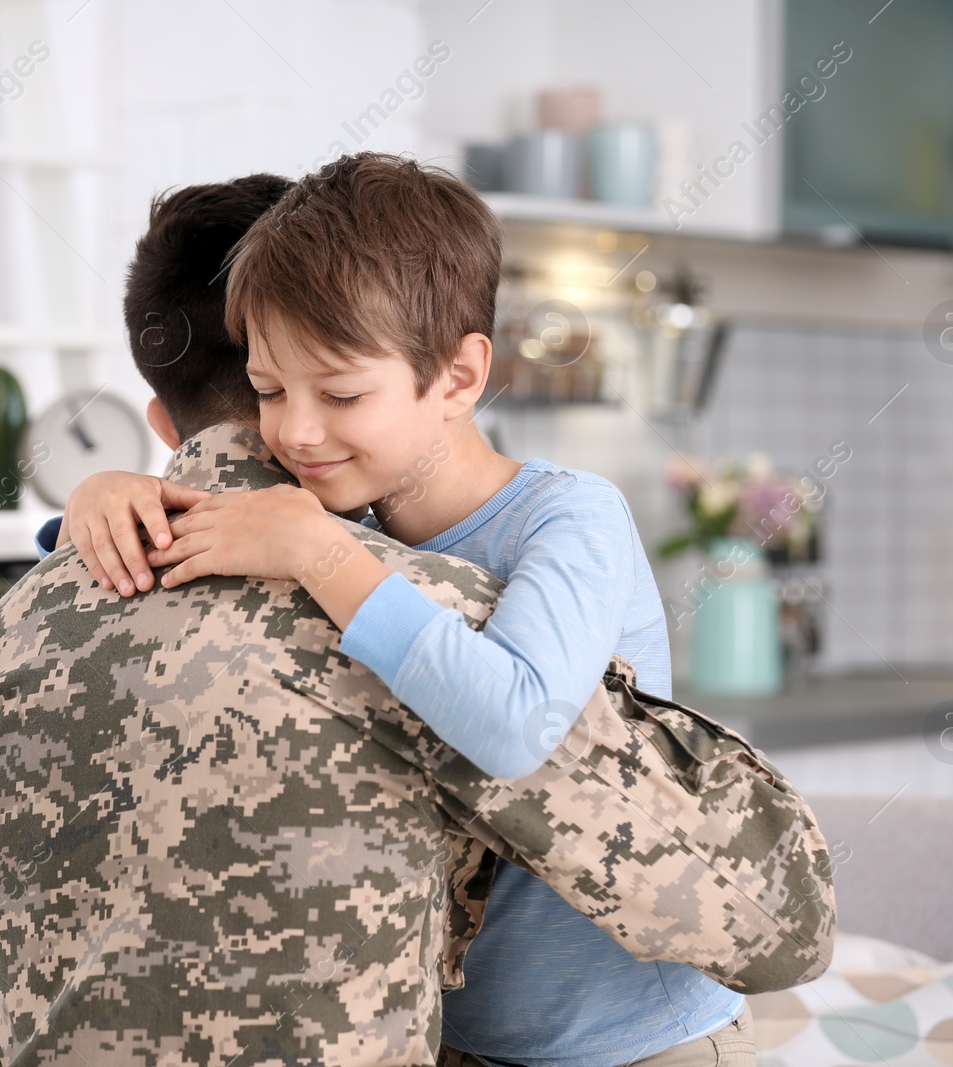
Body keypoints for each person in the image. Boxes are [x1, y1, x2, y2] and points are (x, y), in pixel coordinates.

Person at [49, 154, 747, 1067]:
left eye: (339, 394)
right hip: (456, 1039)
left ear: (458, 379)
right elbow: (170, 606)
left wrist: (315, 550)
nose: (296, 430)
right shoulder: (347, 522)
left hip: (635, 1039)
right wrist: (96, 502)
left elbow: (514, 718)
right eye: (269, 390)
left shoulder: (570, 518)